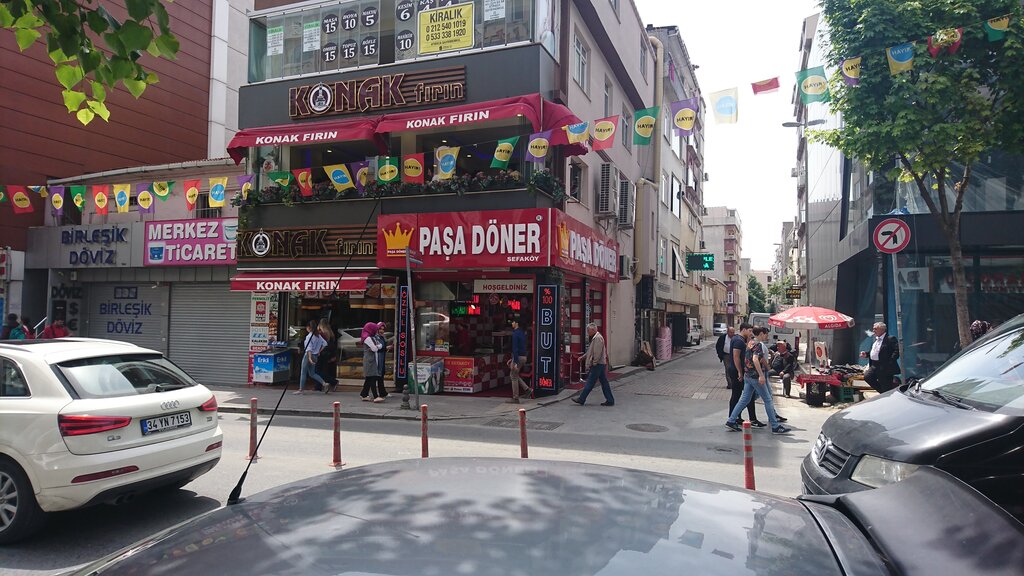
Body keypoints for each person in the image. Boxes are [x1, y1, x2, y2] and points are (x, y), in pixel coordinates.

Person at [726, 327, 790, 434]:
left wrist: (766, 366)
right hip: (755, 376)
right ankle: (775, 426)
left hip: (748, 375)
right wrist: (761, 375)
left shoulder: (750, 342)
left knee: (744, 399)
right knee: (768, 400)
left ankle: (731, 420)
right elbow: (755, 359)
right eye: (766, 334)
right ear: (761, 333)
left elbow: (757, 358)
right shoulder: (758, 345)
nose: (767, 337)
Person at [727, 323, 763, 427]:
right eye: (749, 331)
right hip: (737, 371)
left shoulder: (741, 339)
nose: (751, 333)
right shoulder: (738, 340)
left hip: (740, 371)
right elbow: (736, 357)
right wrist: (739, 371)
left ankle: (741, 418)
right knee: (737, 395)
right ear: (743, 330)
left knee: (747, 395)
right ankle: (733, 418)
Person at [571, 322, 614, 406]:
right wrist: (583, 357)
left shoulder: (597, 338)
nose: (587, 332)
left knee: (590, 382)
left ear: (593, 330)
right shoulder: (596, 338)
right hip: (600, 364)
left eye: (588, 330)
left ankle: (581, 399)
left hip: (598, 364)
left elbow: (597, 353)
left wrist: (594, 363)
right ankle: (610, 400)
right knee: (604, 382)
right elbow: (590, 351)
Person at [861, 322, 899, 394]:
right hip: (874, 365)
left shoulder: (890, 339)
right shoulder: (876, 340)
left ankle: (887, 394)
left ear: (882, 329)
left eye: (875, 329)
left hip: (884, 366)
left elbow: (897, 350)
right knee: (868, 377)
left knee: (885, 384)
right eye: (873, 329)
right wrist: (866, 354)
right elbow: (875, 352)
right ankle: (883, 393)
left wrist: (890, 361)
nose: (873, 330)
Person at [294, 319, 327, 395]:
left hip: (308, 355)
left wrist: (309, 357)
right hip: (315, 356)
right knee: (312, 373)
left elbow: (309, 348)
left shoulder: (309, 336)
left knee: (303, 372)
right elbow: (325, 344)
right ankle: (324, 383)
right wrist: (319, 351)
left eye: (306, 327)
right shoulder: (318, 336)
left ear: (309, 327)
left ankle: (301, 389)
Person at [507, 319, 532, 403]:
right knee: (515, 374)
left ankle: (515, 398)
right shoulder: (522, 333)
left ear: (516, 323)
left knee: (513, 376)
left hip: (518, 357)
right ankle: (527, 390)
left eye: (513, 322)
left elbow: (515, 348)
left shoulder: (515, 334)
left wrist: (515, 361)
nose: (512, 323)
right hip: (523, 357)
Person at [360, 322, 385, 403]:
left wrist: (376, 347)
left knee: (368, 378)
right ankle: (376, 396)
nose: (376, 331)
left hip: (372, 360)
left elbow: (380, 345)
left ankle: (364, 394)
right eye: (375, 329)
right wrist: (376, 347)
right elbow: (375, 349)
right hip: (370, 361)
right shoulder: (367, 338)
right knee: (372, 377)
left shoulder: (372, 337)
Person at [317, 319, 339, 394]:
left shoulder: (322, 333)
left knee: (317, 371)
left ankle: (331, 382)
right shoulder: (330, 333)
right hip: (327, 354)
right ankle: (321, 385)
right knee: (322, 370)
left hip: (322, 353)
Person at [373, 322, 389, 399]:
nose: (382, 331)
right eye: (380, 329)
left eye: (383, 329)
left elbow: (383, 346)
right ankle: (366, 393)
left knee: (381, 376)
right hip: (377, 359)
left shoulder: (382, 337)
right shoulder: (375, 337)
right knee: (376, 376)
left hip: (381, 358)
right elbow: (376, 348)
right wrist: (385, 348)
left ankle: (382, 392)